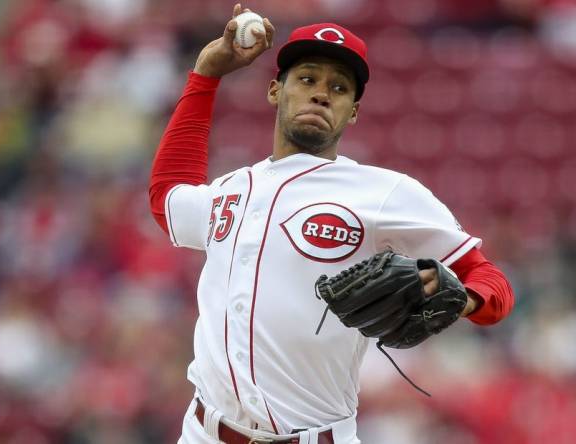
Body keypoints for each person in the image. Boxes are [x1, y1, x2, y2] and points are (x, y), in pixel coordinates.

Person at [149, 5, 514, 443]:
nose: (321, 94)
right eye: (307, 79)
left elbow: (492, 281)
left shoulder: (382, 192)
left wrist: (464, 298)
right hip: (203, 432)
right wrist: (206, 75)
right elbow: (168, 200)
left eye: (339, 88)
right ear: (274, 90)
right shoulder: (233, 187)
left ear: (353, 112)